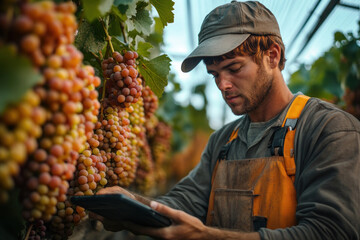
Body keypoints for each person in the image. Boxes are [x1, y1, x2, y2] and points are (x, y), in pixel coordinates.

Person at [92, 1, 360, 239]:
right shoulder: (223, 140)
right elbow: (187, 200)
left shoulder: (329, 129)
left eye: (234, 68)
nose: (223, 85)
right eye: (214, 74)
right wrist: (133, 203)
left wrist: (207, 236)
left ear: (272, 56)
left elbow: (333, 231)